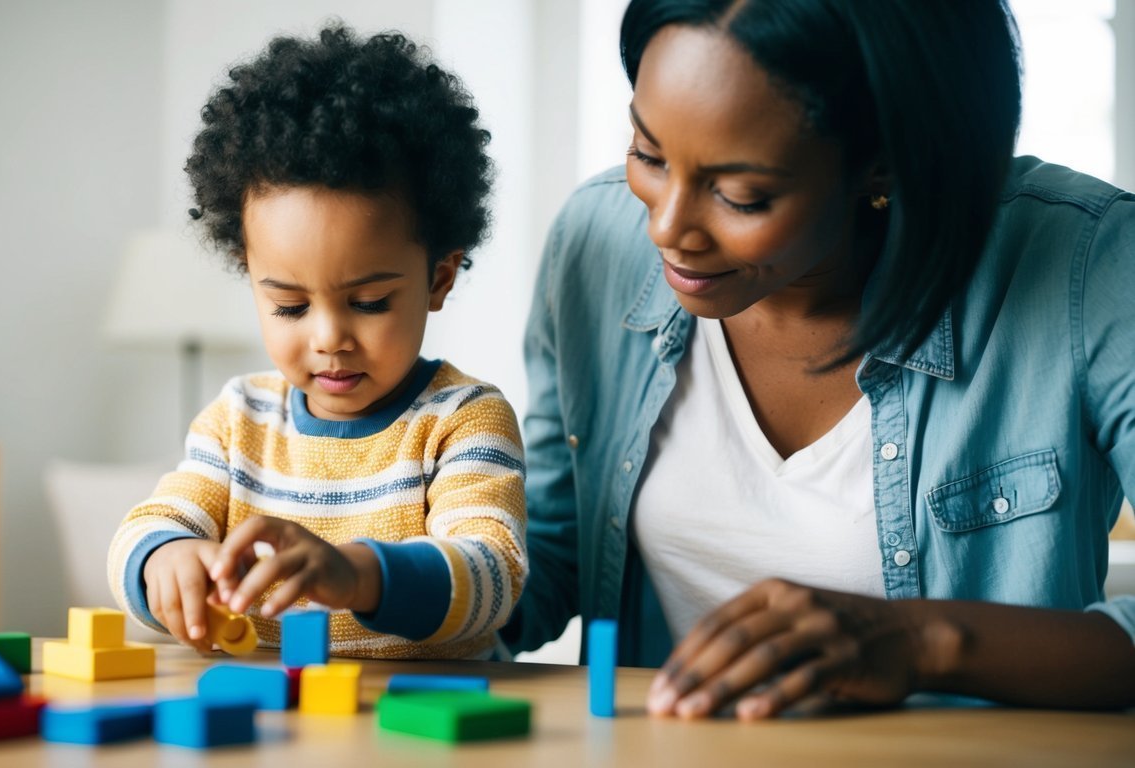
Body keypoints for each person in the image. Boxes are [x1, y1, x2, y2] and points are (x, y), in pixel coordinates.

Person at [501, 0, 1135, 718]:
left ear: (885, 163)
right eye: (647, 154)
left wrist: (919, 642)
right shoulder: (596, 240)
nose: (666, 225)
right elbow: (547, 554)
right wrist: (386, 575)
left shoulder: (1092, 266)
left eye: (741, 194)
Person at [108, 24, 526, 661]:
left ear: (438, 278)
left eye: (369, 303)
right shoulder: (235, 423)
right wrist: (165, 559)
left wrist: (358, 575)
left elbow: (493, 574)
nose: (329, 338)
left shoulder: (464, 422)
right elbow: (146, 528)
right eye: (290, 306)